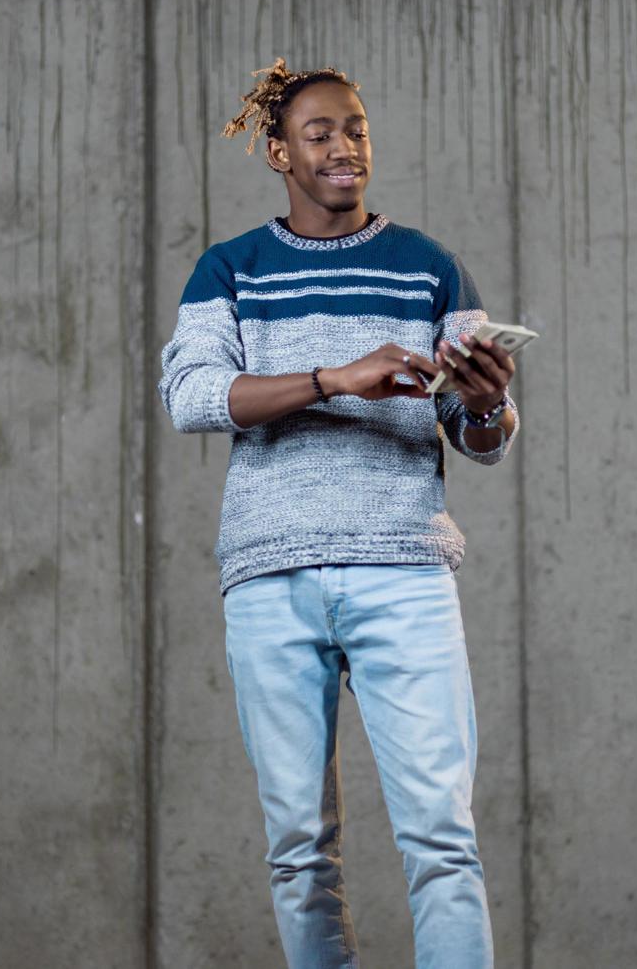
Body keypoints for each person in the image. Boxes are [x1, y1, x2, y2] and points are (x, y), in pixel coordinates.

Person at [156, 57, 519, 969]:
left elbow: (479, 441)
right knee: (298, 854)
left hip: (404, 569)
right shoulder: (229, 268)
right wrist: (336, 376)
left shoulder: (428, 264)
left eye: (355, 128)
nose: (343, 146)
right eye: (318, 133)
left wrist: (483, 403)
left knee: (442, 841)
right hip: (270, 574)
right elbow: (192, 397)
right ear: (278, 151)